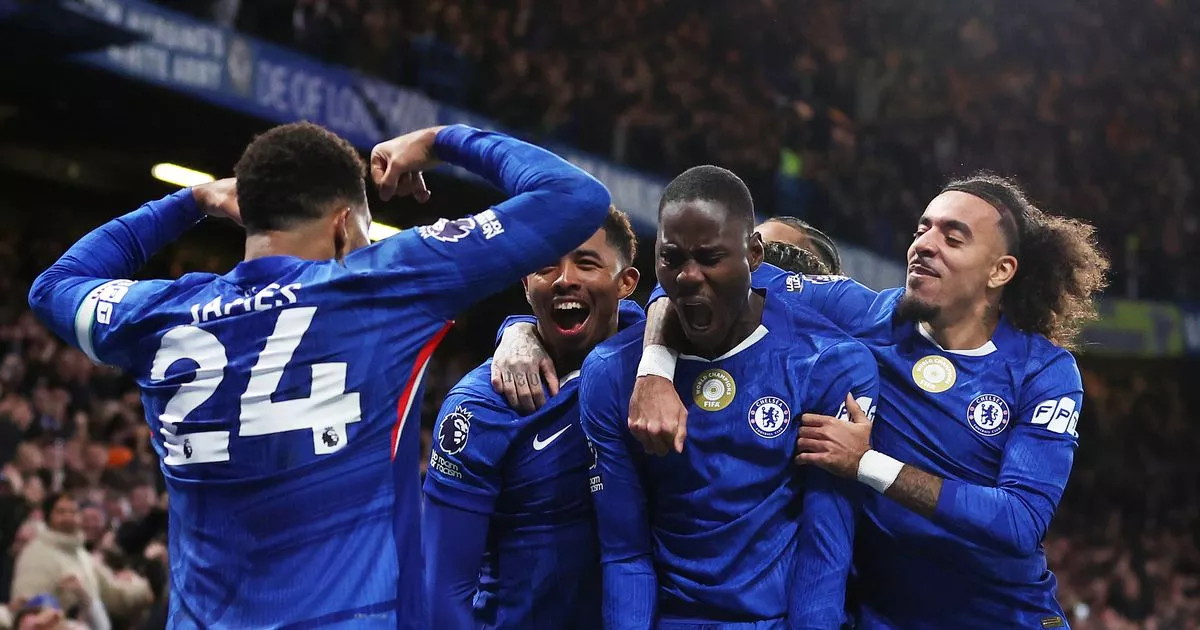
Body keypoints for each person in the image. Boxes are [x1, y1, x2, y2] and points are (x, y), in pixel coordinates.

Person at [26, 123, 613, 628]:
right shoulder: (379, 282)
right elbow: (575, 197)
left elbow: (54, 286)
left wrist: (192, 200)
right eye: (362, 232)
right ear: (342, 226)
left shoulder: (160, 316)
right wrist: (441, 140)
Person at [627, 173, 1111, 627]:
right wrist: (654, 368)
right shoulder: (861, 313)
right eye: (922, 230)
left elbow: (1018, 522)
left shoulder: (1042, 371)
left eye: (952, 237)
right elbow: (695, 276)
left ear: (1000, 270)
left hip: (1007, 617)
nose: (924, 245)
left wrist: (866, 464)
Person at [580, 166, 877, 628]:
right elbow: (625, 554)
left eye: (710, 257)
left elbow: (823, 556)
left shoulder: (831, 364)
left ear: (754, 255)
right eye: (672, 258)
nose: (688, 277)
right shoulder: (612, 372)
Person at [422, 207, 642, 630]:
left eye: (587, 263)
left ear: (626, 283)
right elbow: (443, 589)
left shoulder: (656, 360)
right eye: (546, 266)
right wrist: (516, 330)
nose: (564, 279)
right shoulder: (478, 406)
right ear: (526, 283)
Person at [491, 216, 843, 412]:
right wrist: (520, 331)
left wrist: (864, 463)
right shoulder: (662, 337)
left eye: (777, 256)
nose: (755, 265)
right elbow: (625, 313)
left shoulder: (837, 381)